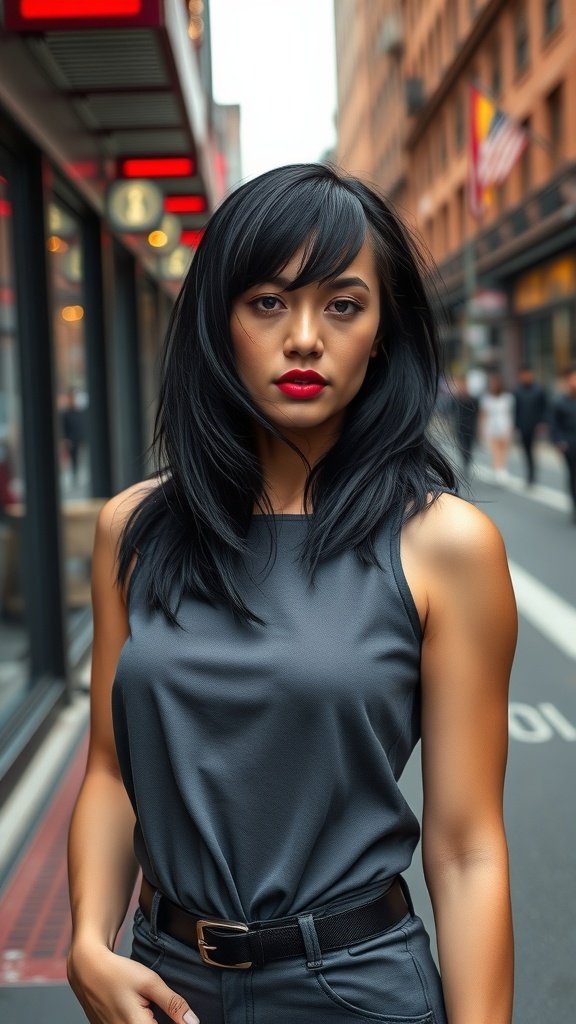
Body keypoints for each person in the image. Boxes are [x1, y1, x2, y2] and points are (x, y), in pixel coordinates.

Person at [67, 164, 517, 1024]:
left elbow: (465, 850)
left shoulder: (445, 544)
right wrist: (89, 941)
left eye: (343, 305)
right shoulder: (134, 530)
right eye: (268, 302)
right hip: (161, 986)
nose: (305, 337)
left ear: (382, 332)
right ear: (219, 323)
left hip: (355, 990)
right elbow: (112, 769)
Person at [513, 365, 548, 486]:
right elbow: (515, 410)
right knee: (526, 451)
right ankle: (529, 475)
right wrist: (515, 426)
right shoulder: (517, 391)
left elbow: (545, 408)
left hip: (535, 426)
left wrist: (543, 422)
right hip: (523, 426)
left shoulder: (539, 390)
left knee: (532, 451)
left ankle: (532, 475)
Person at [550, 364, 576, 523]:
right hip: (570, 446)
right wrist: (559, 442)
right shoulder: (559, 403)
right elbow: (555, 425)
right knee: (573, 477)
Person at [479, 373, 515, 482]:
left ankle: (503, 468)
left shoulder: (507, 398)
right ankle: (498, 470)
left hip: (504, 424)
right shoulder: (486, 399)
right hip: (491, 425)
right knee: (495, 449)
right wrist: (482, 429)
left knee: (504, 448)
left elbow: (510, 414)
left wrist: (511, 429)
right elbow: (483, 415)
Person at [450, 374, 479, 480]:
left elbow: (477, 413)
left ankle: (468, 461)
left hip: (471, 427)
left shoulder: (473, 399)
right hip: (460, 427)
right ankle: (465, 462)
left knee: (469, 446)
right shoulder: (456, 399)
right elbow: (451, 412)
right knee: (462, 447)